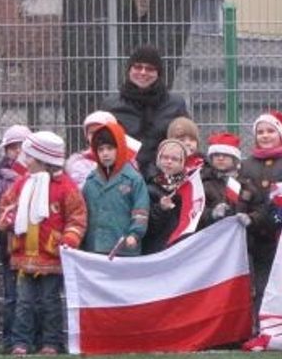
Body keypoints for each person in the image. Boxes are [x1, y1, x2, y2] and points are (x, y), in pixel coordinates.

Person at [0, 131, 87, 355]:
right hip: (23, 255)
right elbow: (5, 205)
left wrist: (69, 239)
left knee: (50, 302)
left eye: (29, 158)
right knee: (24, 302)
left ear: (43, 160)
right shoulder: (21, 184)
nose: (25, 162)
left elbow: (77, 216)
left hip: (52, 255)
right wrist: (8, 218)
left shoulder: (65, 187)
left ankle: (51, 342)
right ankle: (21, 342)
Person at [103, 44, 189, 178]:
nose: (143, 72)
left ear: (158, 73)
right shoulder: (111, 105)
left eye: (149, 69)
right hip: (122, 176)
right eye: (137, 67)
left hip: (165, 176)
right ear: (129, 70)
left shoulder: (175, 105)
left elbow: (186, 143)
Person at [238, 111, 282, 314]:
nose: (265, 135)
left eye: (271, 130)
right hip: (255, 235)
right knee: (259, 283)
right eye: (260, 132)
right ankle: (259, 322)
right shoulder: (246, 165)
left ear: (281, 134)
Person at [0, 123, 30, 351]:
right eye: (13, 147)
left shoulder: (41, 176)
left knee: (37, 294)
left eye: (23, 146)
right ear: (6, 151)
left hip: (38, 244)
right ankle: (10, 339)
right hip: (9, 245)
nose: (18, 151)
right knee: (12, 295)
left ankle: (37, 337)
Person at [81, 118, 150, 257]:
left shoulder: (133, 179)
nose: (105, 153)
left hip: (124, 249)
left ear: (120, 148)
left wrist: (135, 234)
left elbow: (141, 211)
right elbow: (82, 214)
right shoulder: (90, 182)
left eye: (110, 148)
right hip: (94, 249)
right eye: (100, 149)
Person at [142, 138, 190, 255]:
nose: (169, 161)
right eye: (165, 157)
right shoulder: (147, 187)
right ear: (158, 159)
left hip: (180, 248)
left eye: (174, 159)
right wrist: (161, 209)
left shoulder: (188, 188)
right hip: (155, 250)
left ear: (182, 163)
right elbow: (146, 227)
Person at [199, 131, 248, 231]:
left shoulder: (245, 182)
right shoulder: (204, 183)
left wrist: (251, 218)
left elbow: (257, 207)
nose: (220, 158)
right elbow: (196, 212)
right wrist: (212, 213)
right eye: (216, 155)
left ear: (234, 159)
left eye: (225, 155)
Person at [65, 111, 114, 188]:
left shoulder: (127, 161)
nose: (95, 136)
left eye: (100, 132)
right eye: (91, 133)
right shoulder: (79, 163)